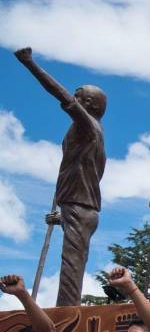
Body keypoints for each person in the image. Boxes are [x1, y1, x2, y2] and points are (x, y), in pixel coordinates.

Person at [13, 48, 106, 307]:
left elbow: (59, 94)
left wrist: (30, 64)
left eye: (79, 97)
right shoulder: (83, 130)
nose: (73, 98)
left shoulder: (88, 127)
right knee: (69, 266)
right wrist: (63, 215)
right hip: (74, 206)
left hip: (80, 206)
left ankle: (65, 316)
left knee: (70, 269)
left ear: (90, 105)